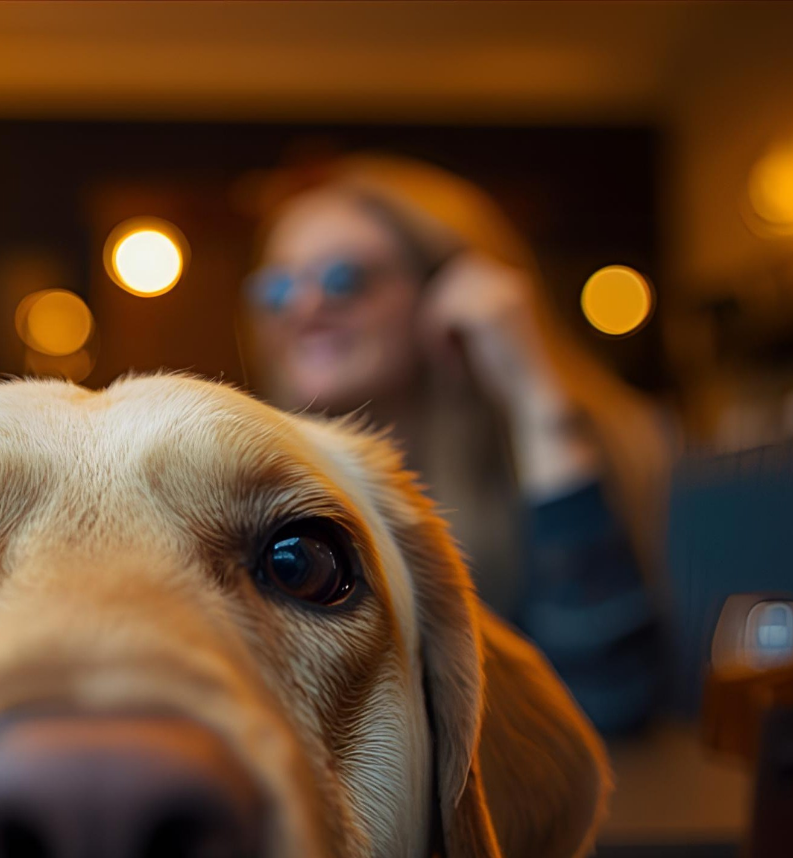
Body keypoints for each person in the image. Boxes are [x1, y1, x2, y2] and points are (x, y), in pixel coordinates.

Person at [245, 155, 668, 734]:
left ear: (450, 291)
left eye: (344, 279)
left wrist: (535, 398)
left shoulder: (602, 450)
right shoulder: (269, 502)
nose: (304, 306)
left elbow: (608, 703)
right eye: (276, 288)